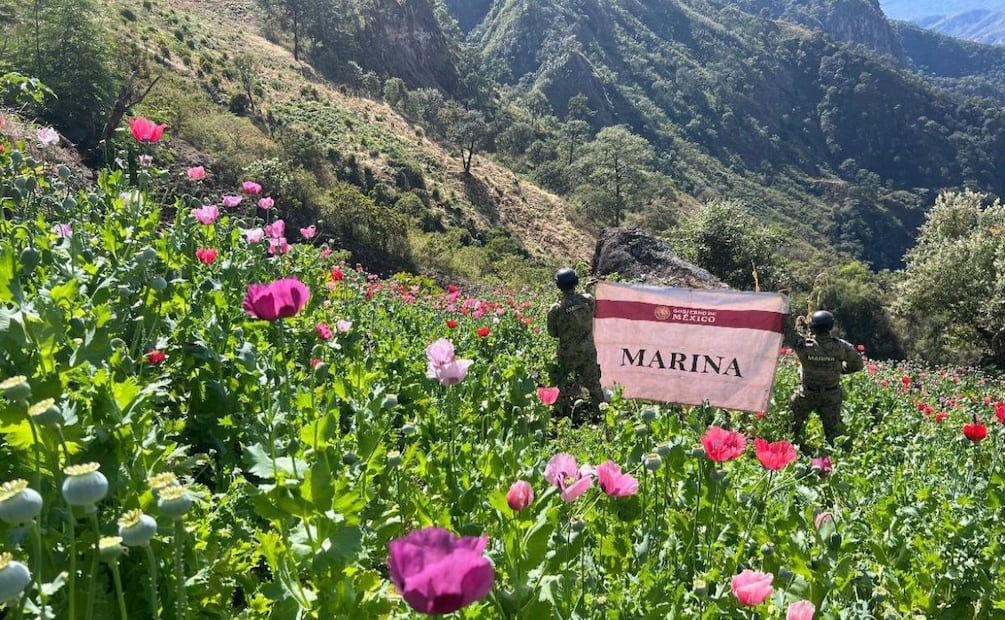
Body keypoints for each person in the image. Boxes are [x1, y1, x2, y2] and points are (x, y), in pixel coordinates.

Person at [790, 310, 864, 447]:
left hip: (806, 394)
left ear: (812, 327)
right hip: (831, 396)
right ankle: (834, 460)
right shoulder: (841, 346)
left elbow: (787, 332)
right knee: (834, 436)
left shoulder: (803, 345)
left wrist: (783, 305)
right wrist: (839, 371)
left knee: (791, 428)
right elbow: (858, 364)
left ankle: (791, 450)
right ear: (830, 326)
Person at [547, 267, 606, 421]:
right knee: (593, 384)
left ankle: (565, 416)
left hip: (567, 354)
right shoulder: (588, 300)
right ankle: (603, 415)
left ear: (558, 286)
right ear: (576, 282)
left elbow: (553, 333)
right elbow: (594, 310)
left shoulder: (556, 309)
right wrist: (586, 290)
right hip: (588, 351)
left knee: (561, 383)